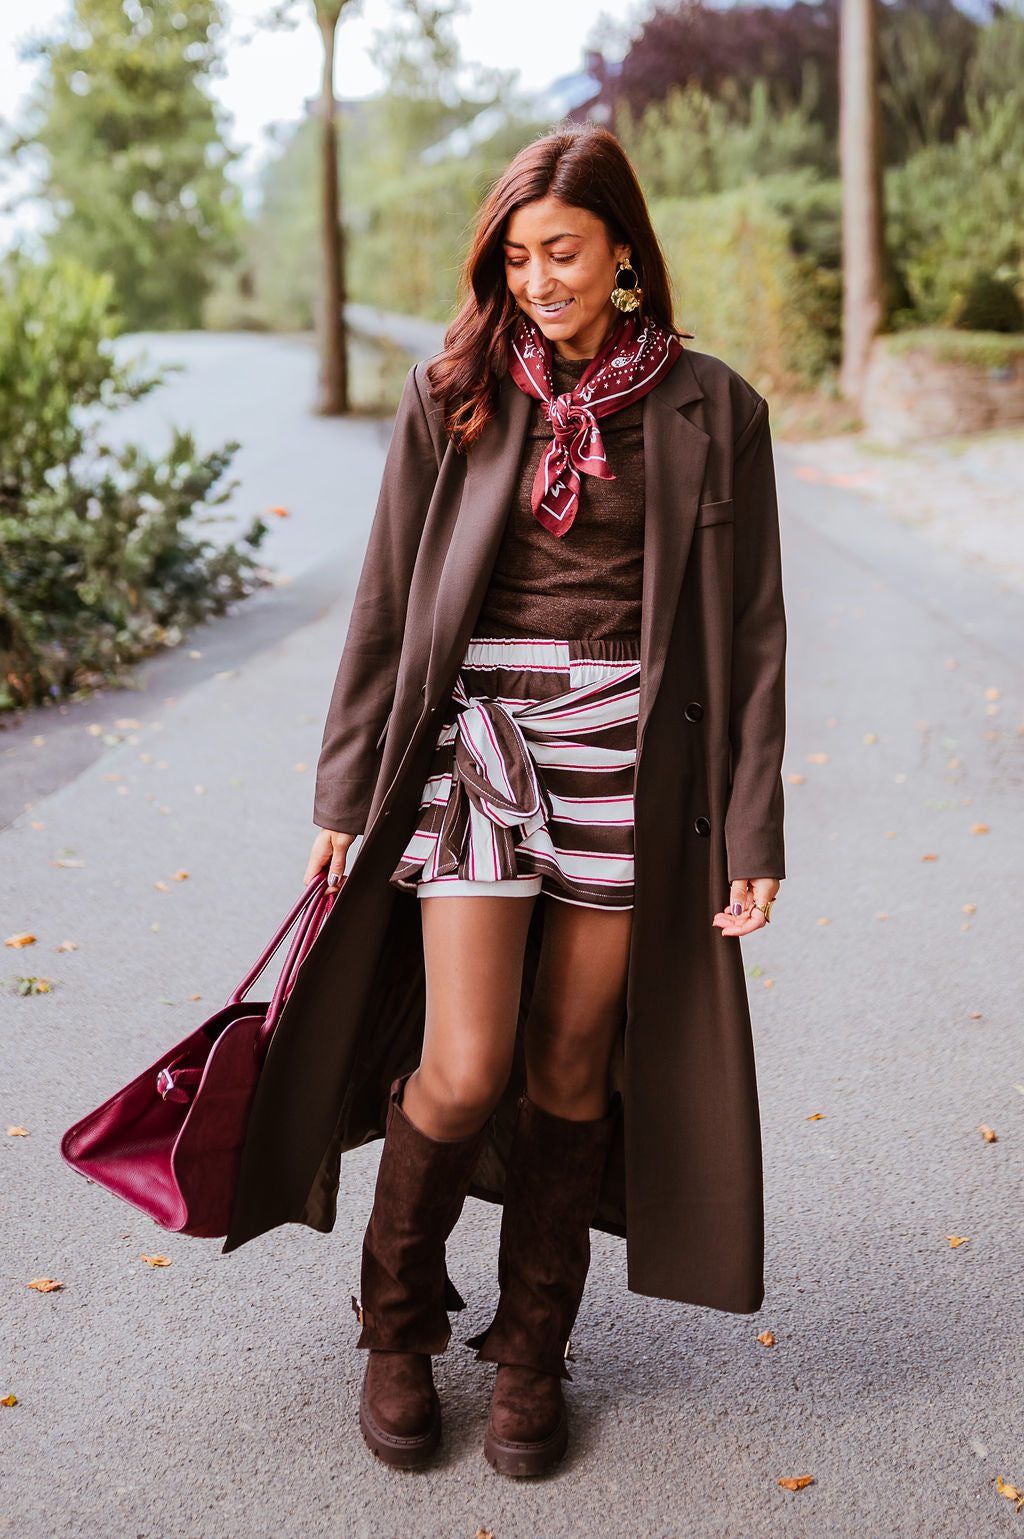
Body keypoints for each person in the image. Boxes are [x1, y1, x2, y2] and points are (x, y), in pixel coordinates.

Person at [224, 124, 786, 1479]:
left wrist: (754, 823)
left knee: (568, 1066)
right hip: (482, 742)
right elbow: (382, 604)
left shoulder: (715, 408)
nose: (539, 280)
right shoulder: (455, 394)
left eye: (565, 253)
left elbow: (757, 630)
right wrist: (348, 786)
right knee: (466, 1064)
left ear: (625, 255)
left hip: (634, 762)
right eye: (519, 257)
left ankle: (534, 1351)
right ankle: (397, 1324)